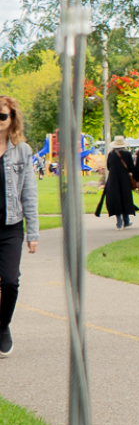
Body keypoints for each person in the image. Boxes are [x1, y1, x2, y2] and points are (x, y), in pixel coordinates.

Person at [0, 96, 40, 357]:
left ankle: (3, 326)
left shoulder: (22, 150)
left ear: (12, 119)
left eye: (2, 116)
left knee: (10, 281)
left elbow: (29, 193)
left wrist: (33, 232)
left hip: (11, 226)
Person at [103, 136, 139, 230]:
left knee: (116, 199)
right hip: (124, 180)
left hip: (113, 180)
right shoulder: (127, 154)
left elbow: (108, 167)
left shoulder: (111, 154)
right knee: (125, 198)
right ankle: (126, 220)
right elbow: (131, 167)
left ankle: (119, 221)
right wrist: (137, 178)